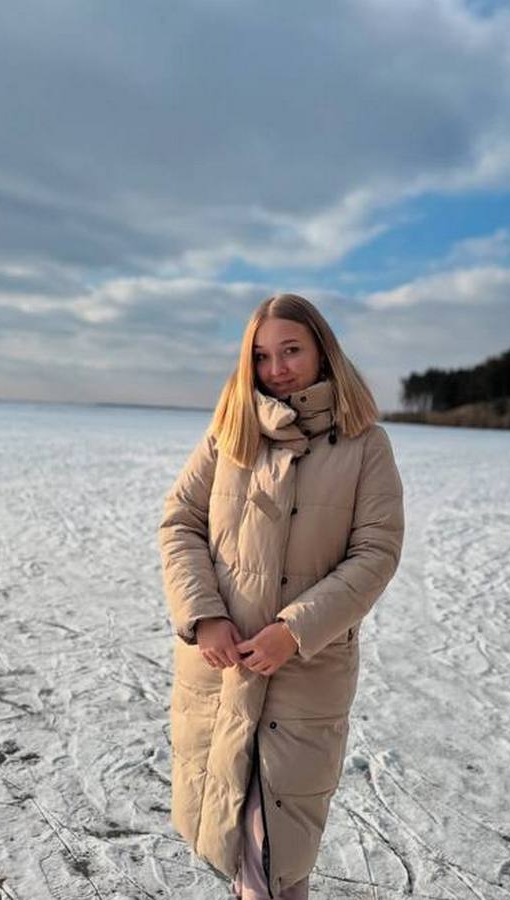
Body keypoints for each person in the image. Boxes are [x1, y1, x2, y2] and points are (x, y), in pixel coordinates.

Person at [157, 293, 405, 899]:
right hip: (222, 667)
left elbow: (376, 552)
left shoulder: (365, 445)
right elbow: (180, 523)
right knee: (241, 844)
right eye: (262, 356)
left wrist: (295, 631)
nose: (277, 369)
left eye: (291, 350)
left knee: (277, 849)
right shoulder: (230, 435)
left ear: (323, 351)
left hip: (304, 674)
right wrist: (203, 616)